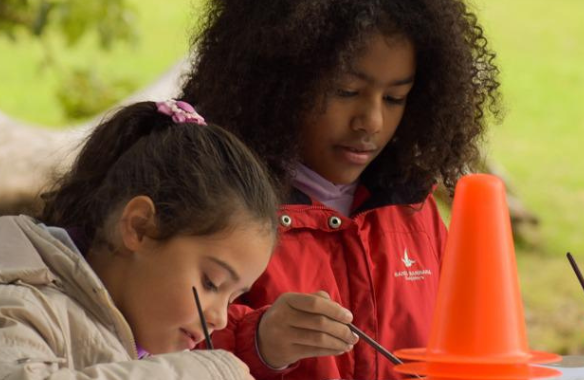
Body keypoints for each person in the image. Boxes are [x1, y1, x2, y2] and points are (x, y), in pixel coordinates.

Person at [181, 0, 501, 378]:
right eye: (346, 91)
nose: (372, 121)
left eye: (395, 98)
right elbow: (158, 352)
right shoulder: (214, 206)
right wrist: (260, 342)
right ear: (276, 83)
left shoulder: (415, 210)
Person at [0, 100, 280, 380]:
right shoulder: (6, 306)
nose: (220, 318)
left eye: (233, 297)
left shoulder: (137, 339)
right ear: (138, 227)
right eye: (210, 283)